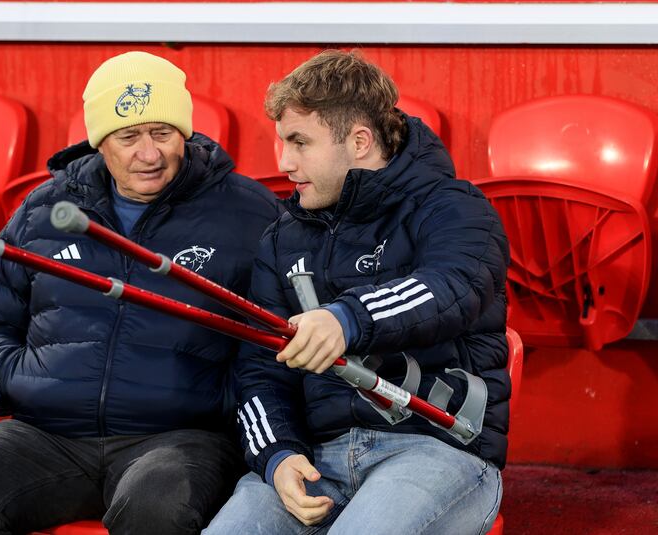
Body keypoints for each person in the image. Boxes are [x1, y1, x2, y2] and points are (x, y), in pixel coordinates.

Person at [0, 51, 281, 535]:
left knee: (156, 503)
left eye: (163, 133)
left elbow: (275, 343)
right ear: (99, 143)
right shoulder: (44, 207)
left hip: (180, 439)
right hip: (50, 434)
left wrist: (221, 402)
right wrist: (9, 380)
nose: (149, 154)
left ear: (185, 133)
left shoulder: (250, 213)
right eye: (129, 137)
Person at [205, 50, 510, 535]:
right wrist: (277, 455)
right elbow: (259, 371)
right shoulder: (282, 239)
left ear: (360, 141)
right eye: (282, 142)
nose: (283, 162)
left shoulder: (456, 208)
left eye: (300, 142)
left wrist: (345, 319)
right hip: (315, 457)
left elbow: (452, 288)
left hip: (438, 448)